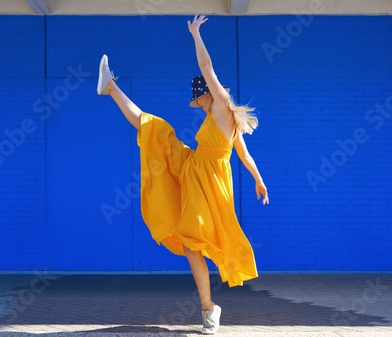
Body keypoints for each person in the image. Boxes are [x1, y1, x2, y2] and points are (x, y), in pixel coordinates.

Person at [97, 14, 269, 335]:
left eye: (198, 98)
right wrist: (259, 179)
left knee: (195, 241)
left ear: (206, 94)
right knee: (156, 130)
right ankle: (110, 86)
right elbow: (244, 154)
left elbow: (207, 69)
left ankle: (209, 310)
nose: (198, 104)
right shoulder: (224, 117)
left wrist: (195, 34)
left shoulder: (219, 104)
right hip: (194, 166)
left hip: (210, 180)